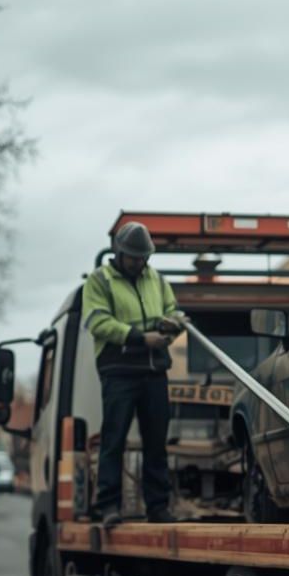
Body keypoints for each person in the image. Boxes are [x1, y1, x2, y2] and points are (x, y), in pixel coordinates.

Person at [82, 221, 184, 526]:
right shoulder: (100, 281)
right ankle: (109, 506)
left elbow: (172, 309)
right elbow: (98, 322)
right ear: (119, 253)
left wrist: (173, 324)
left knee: (157, 441)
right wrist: (141, 338)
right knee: (115, 438)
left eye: (143, 258)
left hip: (154, 370)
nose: (139, 263)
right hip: (120, 370)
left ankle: (158, 507)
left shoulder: (157, 280)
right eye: (133, 258)